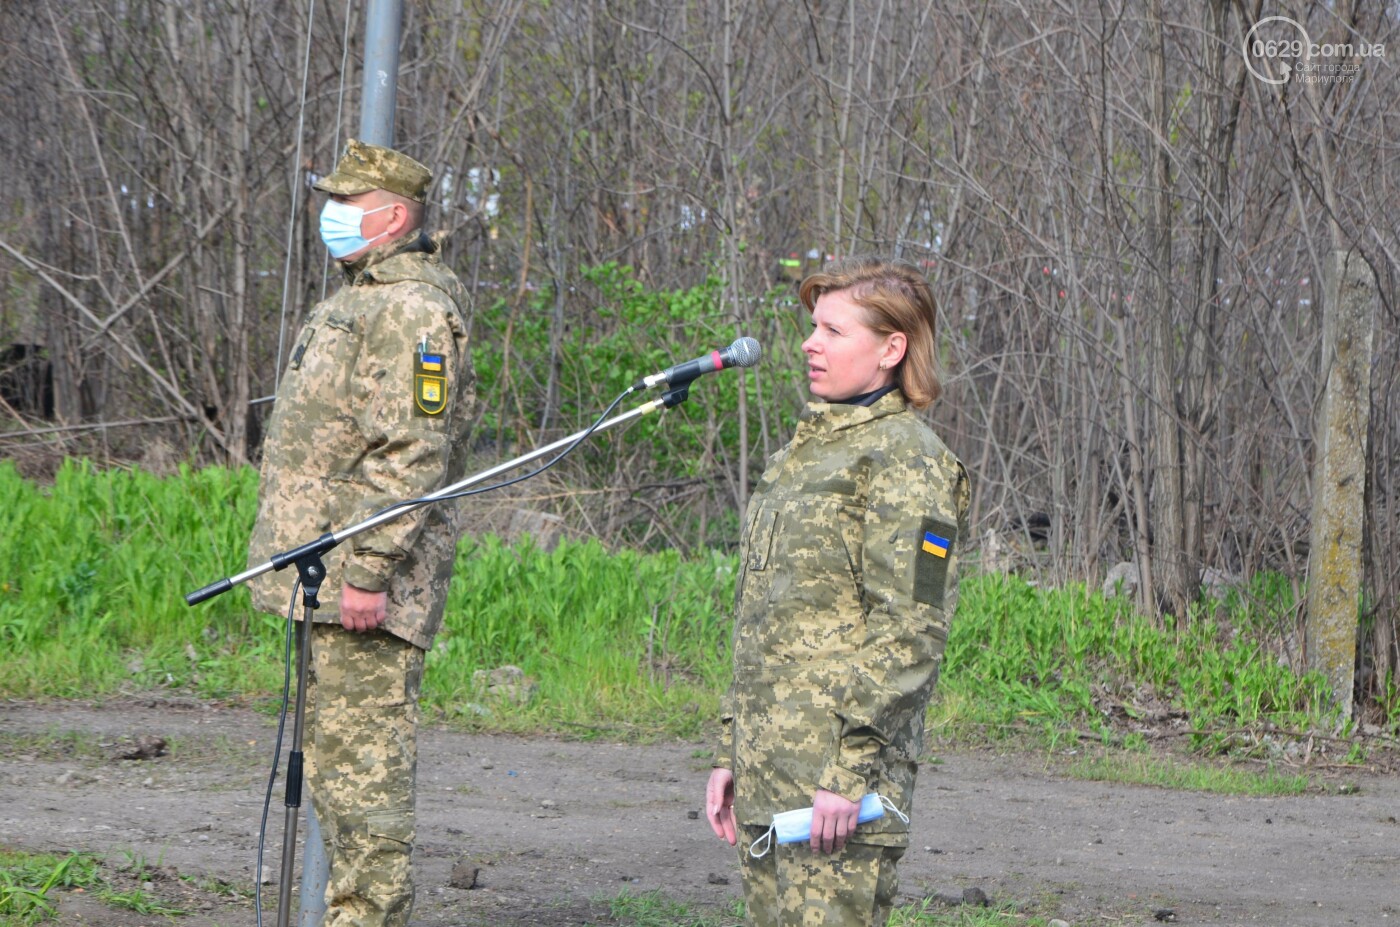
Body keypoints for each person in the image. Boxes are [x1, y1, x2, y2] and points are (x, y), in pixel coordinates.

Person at [247, 138, 475, 927]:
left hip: (362, 589)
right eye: (331, 201)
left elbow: (412, 451)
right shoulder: (362, 293)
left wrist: (369, 570)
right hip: (324, 577)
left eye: (348, 203)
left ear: (395, 215)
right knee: (338, 780)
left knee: (364, 787)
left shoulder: (411, 307)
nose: (332, 216)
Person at [705, 257, 970, 926]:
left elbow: (909, 629)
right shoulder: (806, 452)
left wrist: (849, 773)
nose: (808, 343)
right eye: (811, 326)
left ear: (891, 348)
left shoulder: (907, 460)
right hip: (772, 775)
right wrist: (729, 750)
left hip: (838, 792)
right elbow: (766, 615)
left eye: (831, 329)